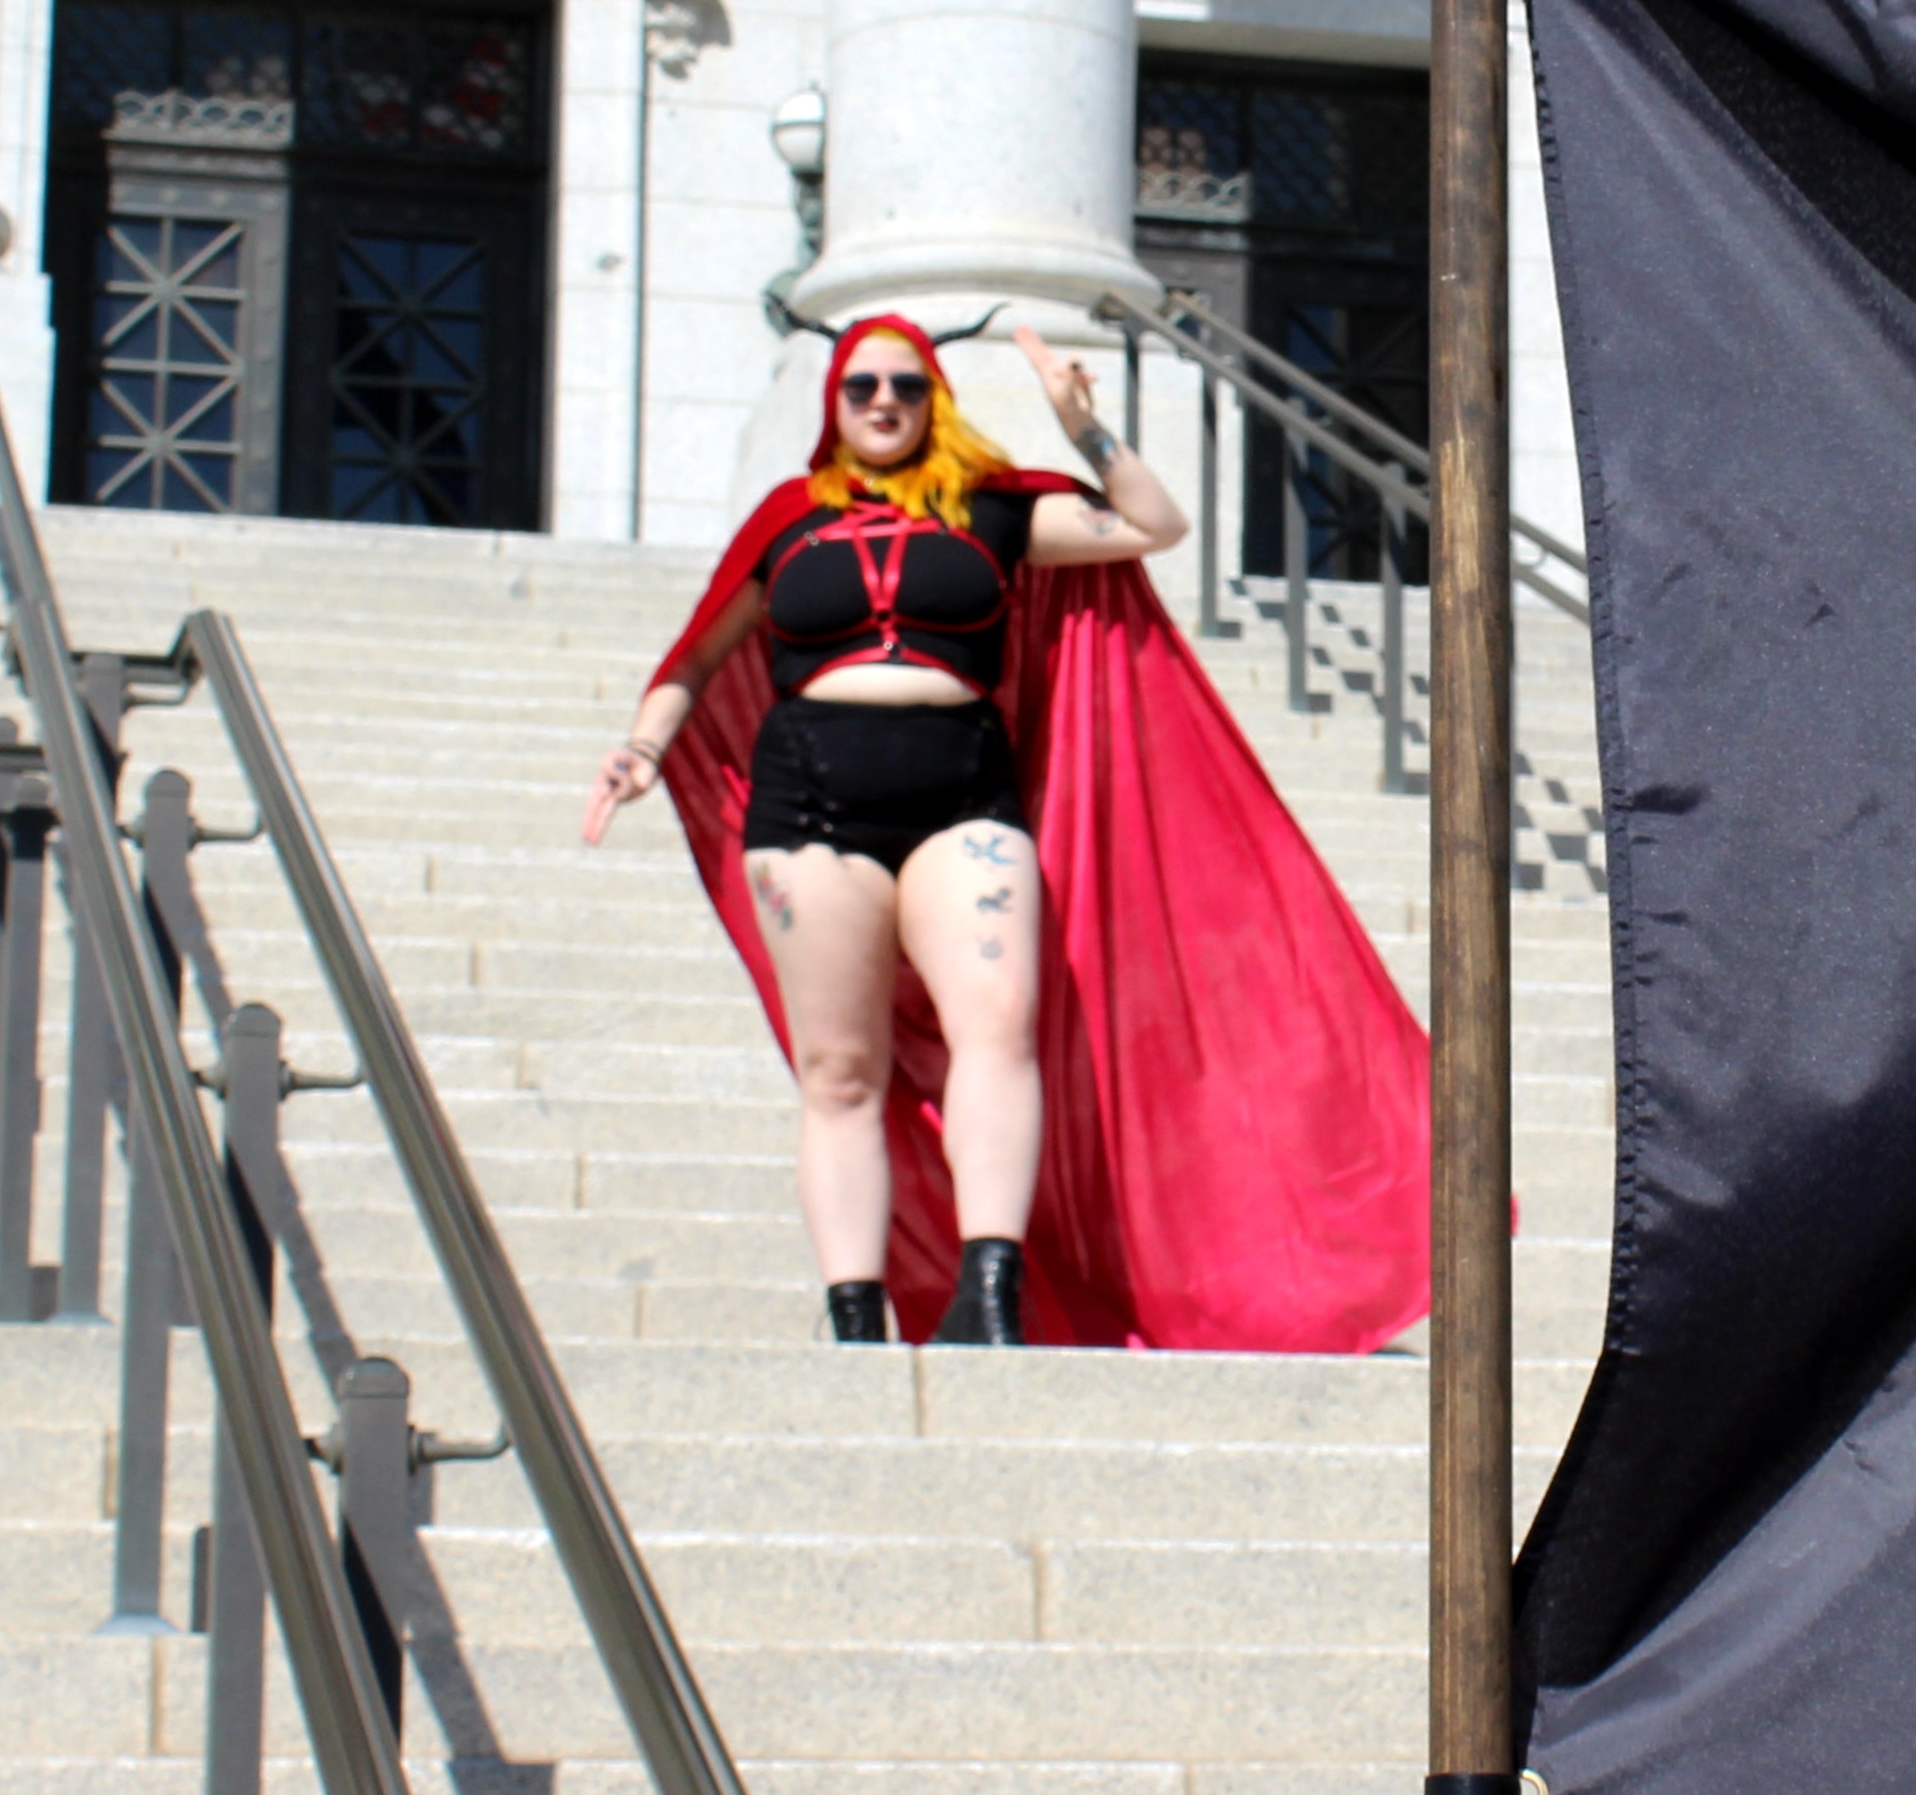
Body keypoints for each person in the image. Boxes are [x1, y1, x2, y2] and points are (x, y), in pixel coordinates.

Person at [584, 313, 1430, 1355]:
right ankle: (857, 1315)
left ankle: (992, 1294)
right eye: (861, 388)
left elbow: (1154, 524)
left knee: (995, 1023)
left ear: (933, 398)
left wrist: (1085, 430)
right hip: (807, 805)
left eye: (905, 385)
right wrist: (641, 748)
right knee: (842, 1072)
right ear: (834, 406)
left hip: (963, 797)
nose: (884, 403)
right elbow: (695, 657)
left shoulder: (995, 507)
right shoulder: (788, 522)